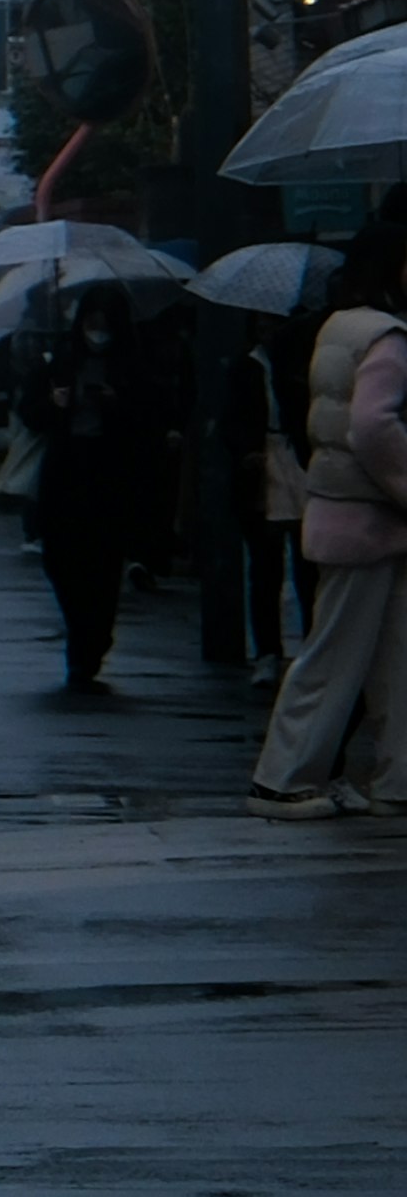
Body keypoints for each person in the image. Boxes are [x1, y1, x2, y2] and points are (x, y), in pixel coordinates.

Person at [250, 204, 407, 810]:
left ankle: (389, 779)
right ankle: (284, 778)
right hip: (371, 518)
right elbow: (373, 425)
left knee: (382, 653)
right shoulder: (388, 337)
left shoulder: (342, 326)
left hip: (349, 516)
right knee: (345, 653)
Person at [15, 277, 149, 694]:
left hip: (109, 475)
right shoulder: (61, 361)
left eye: (104, 323)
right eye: (91, 321)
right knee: (61, 561)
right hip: (66, 472)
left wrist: (117, 403)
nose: (98, 331)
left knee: (103, 566)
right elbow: (30, 412)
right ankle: (81, 632)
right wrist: (54, 404)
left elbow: (150, 418)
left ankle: (89, 646)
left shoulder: (132, 365)